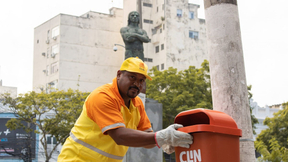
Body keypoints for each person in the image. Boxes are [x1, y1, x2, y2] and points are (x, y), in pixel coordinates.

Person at [57, 57, 193, 162]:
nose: (137, 84)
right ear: (119, 74)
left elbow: (147, 139)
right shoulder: (103, 96)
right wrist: (161, 137)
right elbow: (120, 136)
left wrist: (164, 141)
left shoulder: (137, 104)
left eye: (141, 80)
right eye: (132, 77)